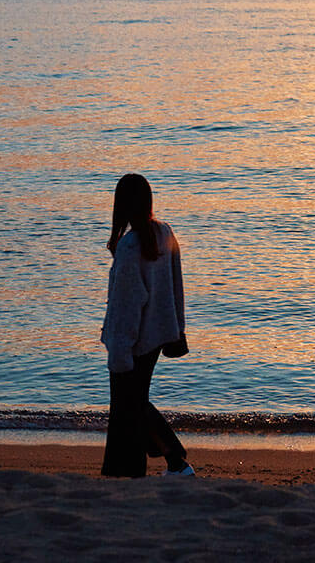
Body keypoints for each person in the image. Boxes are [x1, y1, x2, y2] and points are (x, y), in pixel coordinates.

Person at [100, 173, 194, 478]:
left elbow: (126, 306)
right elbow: (176, 286)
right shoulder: (164, 233)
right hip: (155, 337)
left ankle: (174, 460)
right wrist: (177, 328)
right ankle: (139, 468)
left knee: (129, 405)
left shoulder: (131, 246)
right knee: (133, 403)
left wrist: (120, 350)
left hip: (133, 340)